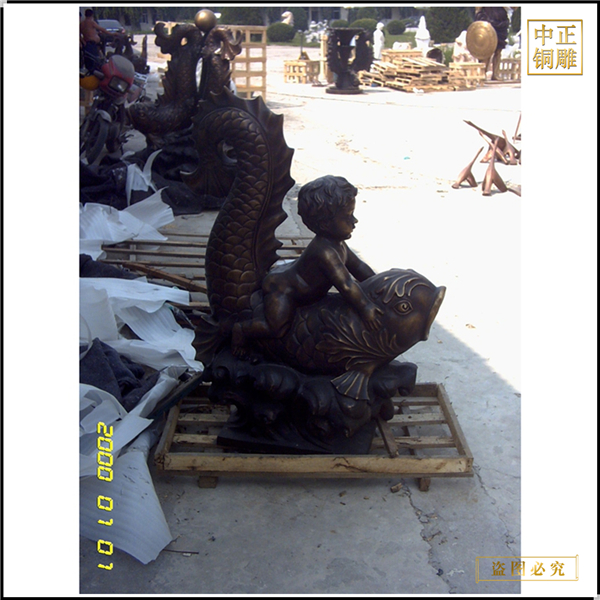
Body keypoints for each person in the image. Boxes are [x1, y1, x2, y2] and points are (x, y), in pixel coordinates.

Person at [231, 175, 382, 354]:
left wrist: (380, 284)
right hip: (283, 290)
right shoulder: (325, 252)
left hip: (293, 280)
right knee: (276, 328)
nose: (354, 221)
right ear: (325, 224)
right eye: (348, 216)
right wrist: (365, 307)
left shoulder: (338, 244)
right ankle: (241, 331)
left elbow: (359, 267)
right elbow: (346, 284)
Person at [474, 6, 511, 80]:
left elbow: (514, 7)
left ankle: (495, 74)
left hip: (501, 20)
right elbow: (478, 8)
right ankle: (483, 73)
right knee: (487, 49)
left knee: (498, 49)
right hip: (488, 19)